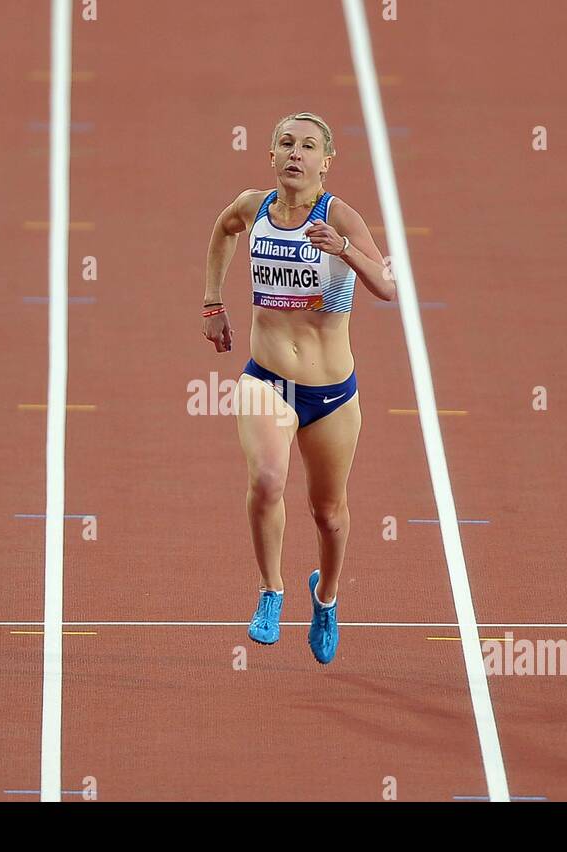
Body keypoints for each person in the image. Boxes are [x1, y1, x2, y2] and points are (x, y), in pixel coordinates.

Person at [201, 111, 397, 664]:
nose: (296, 154)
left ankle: (326, 598)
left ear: (326, 162)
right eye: (286, 143)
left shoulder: (339, 216)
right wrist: (213, 303)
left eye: (309, 147)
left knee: (328, 513)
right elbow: (221, 231)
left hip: (331, 394)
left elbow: (386, 286)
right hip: (265, 380)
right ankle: (271, 591)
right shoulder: (253, 207)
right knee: (266, 481)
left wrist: (343, 250)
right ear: (271, 154)